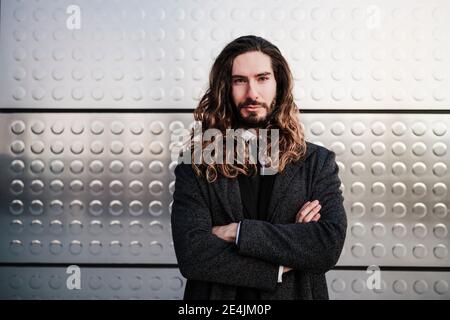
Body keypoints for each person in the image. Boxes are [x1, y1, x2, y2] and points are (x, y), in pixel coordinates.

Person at [171, 35, 347, 300]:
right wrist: (284, 260)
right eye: (240, 80)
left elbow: (326, 245)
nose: (252, 93)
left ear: (279, 83)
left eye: (262, 78)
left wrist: (237, 232)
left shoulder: (317, 162)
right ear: (225, 88)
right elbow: (193, 255)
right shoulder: (195, 164)